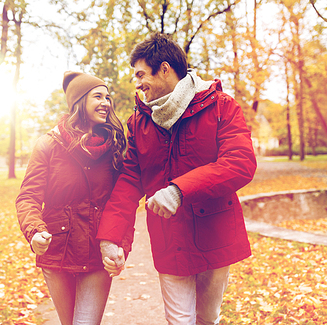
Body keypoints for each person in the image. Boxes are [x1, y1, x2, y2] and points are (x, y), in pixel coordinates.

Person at [96, 32, 257, 325]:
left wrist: (178, 191)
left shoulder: (221, 106)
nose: (137, 83)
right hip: (170, 240)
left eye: (141, 74)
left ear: (166, 69)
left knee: (208, 318)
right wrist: (111, 237)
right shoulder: (139, 122)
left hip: (215, 233)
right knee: (179, 321)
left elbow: (240, 162)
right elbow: (130, 180)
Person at [16, 71, 129, 325]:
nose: (106, 103)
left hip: (96, 254)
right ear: (79, 102)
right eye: (98, 96)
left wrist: (121, 245)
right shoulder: (48, 145)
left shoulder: (114, 147)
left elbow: (123, 202)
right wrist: (34, 231)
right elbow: (28, 197)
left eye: (108, 97)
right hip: (58, 252)